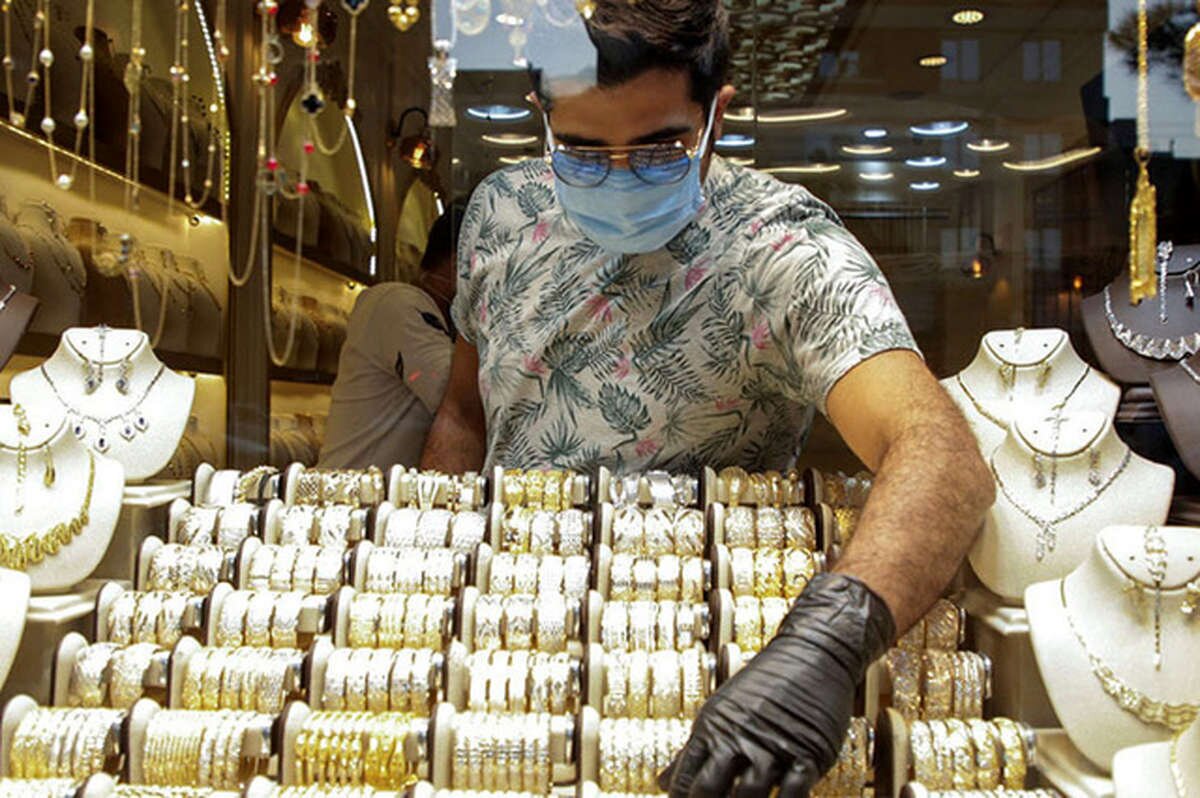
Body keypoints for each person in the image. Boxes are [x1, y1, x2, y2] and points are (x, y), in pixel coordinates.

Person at [421, 1, 994, 795]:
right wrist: (433, 569)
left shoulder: (782, 248)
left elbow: (941, 453)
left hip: (709, 671)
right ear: (542, 116)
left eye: (659, 148)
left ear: (715, 117)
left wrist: (828, 644)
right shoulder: (500, 213)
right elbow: (465, 410)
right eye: (582, 151)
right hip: (504, 660)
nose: (619, 174)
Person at [319, 209, 460, 469]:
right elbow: (453, 394)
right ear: (458, 264)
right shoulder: (398, 304)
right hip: (356, 489)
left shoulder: (423, 313)